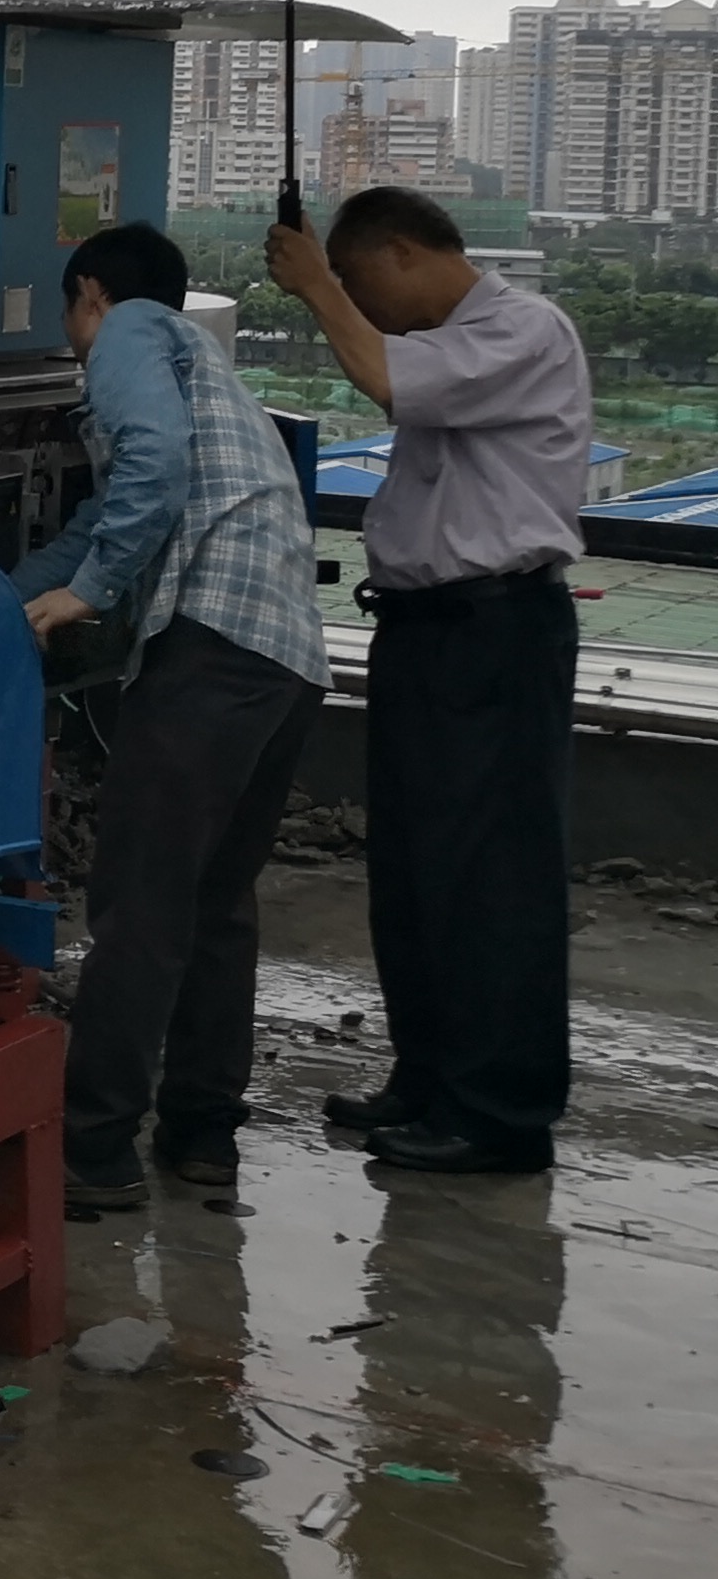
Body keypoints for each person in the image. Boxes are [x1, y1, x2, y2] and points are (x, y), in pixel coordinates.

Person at [7, 219, 331, 1210]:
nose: (73, 342)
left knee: (139, 904)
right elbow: (99, 519)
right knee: (213, 904)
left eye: (69, 317)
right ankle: (200, 1134)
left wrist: (89, 593)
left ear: (89, 294)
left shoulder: (130, 331)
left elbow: (148, 465)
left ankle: (90, 1149)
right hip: (282, 657)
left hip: (211, 647)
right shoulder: (204, 367)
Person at [268, 185, 591, 1176]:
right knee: (414, 873)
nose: (361, 304)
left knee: (488, 876)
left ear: (403, 252)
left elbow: (384, 380)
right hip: (427, 634)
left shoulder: (522, 330)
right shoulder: (455, 345)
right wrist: (329, 286)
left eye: (363, 280)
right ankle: (430, 1078)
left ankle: (498, 1113)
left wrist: (315, 285)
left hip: (494, 634)